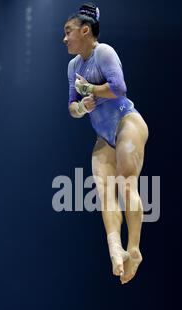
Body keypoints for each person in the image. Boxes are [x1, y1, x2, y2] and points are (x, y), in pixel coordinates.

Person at [63, 3, 149, 284]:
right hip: (103, 136)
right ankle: (116, 250)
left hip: (128, 123)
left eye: (68, 32)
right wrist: (84, 107)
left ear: (85, 30)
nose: (64, 38)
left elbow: (119, 88)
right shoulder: (73, 66)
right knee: (104, 195)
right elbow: (72, 109)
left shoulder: (104, 53)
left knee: (126, 184)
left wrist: (89, 89)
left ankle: (134, 249)